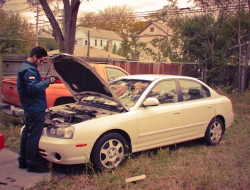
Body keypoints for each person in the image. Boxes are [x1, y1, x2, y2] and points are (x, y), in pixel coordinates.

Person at [17, 46, 56, 173]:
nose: (41, 63)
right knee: (33, 136)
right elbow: (32, 88)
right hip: (35, 108)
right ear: (34, 57)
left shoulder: (26, 67)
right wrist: (48, 82)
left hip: (30, 107)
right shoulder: (28, 69)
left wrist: (44, 80)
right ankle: (32, 164)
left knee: (27, 133)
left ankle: (23, 160)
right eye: (41, 60)